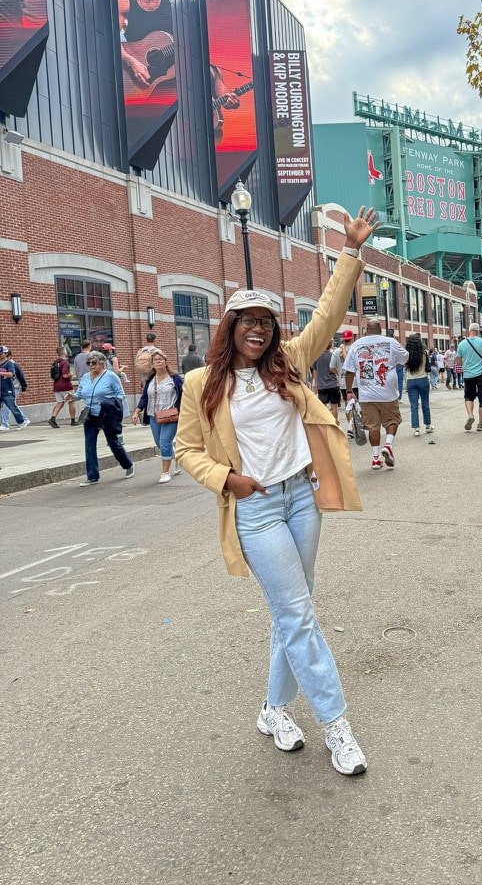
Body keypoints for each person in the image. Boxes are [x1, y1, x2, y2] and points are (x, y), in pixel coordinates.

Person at [174, 206, 376, 777]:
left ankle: (272, 710)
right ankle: (337, 727)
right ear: (230, 328)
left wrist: (352, 253)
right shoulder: (199, 384)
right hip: (256, 509)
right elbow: (187, 450)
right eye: (248, 322)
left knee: (294, 614)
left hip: (301, 500)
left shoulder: (289, 363)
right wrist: (226, 479)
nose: (258, 330)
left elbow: (331, 313)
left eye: (266, 322)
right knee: (297, 615)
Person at [343, 318, 408, 470]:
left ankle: (375, 459)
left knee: (373, 427)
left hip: (366, 395)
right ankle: (388, 445)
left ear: (366, 330)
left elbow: (349, 371)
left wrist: (349, 392)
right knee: (392, 421)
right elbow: (405, 358)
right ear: (381, 329)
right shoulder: (390, 342)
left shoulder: (356, 345)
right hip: (388, 392)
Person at [72, 350, 135, 485]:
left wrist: (110, 403)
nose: (90, 365)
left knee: (113, 443)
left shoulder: (111, 376)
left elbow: (120, 394)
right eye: (88, 363)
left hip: (106, 414)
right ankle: (92, 476)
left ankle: (128, 464)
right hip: (90, 415)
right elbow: (79, 394)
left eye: (93, 363)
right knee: (89, 445)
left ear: (102, 363)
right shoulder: (84, 378)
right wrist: (72, 397)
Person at [117, 0, 173, 90]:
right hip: (139, 79)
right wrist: (132, 62)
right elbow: (110, 40)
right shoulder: (124, 2)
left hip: (170, 74)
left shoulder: (172, 4)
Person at [131, 350, 184, 482]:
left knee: (164, 442)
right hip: (154, 416)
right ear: (152, 364)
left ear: (166, 362)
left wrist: (183, 411)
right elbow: (145, 397)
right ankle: (176, 456)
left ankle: (165, 472)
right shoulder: (150, 379)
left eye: (161, 359)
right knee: (159, 444)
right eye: (155, 360)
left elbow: (184, 395)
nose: (158, 361)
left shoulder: (175, 378)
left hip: (171, 416)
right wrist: (137, 411)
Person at [457, 324, 482, 432]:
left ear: (469, 331)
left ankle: (470, 414)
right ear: (478, 331)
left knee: (468, 396)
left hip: (468, 374)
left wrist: (467, 363)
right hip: (481, 373)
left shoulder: (462, 344)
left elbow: (458, 361)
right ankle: (480, 424)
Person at [404, 334, 433, 436]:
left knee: (414, 405)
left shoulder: (406, 354)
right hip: (423, 379)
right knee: (425, 404)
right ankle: (428, 425)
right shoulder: (424, 353)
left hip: (411, 380)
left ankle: (416, 428)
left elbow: (404, 366)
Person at [311, 342, 343, 420]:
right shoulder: (332, 355)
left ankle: (325, 425)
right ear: (331, 345)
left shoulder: (317, 356)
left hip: (322, 385)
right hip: (333, 384)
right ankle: (335, 425)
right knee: (334, 407)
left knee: (322, 408)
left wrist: (316, 383)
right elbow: (335, 368)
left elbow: (315, 371)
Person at [0, 346, 29, 430]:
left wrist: (24, 388)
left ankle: (21, 421)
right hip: (0, 388)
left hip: (8, 388)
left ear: (6, 354)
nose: (0, 355)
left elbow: (12, 374)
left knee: (11, 406)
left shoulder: (9, 363)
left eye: (2, 353)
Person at [48, 346, 77, 427]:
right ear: (64, 352)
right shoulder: (65, 362)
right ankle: (73, 420)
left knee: (60, 402)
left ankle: (53, 418)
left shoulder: (56, 362)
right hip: (66, 386)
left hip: (56, 385)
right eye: (66, 350)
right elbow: (64, 375)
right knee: (71, 401)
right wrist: (71, 374)